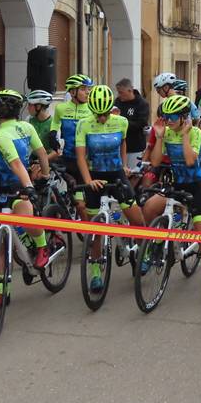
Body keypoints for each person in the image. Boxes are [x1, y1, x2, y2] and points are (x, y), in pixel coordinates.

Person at [0, 90, 51, 310]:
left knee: (24, 221)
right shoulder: (26, 126)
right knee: (1, 245)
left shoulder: (1, 135)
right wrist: (46, 174)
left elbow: (16, 165)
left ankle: (42, 247)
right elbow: (42, 153)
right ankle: (3, 292)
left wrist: (30, 187)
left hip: (18, 187)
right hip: (2, 190)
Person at [150, 95, 201, 300]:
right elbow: (155, 161)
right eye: (165, 116)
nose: (168, 119)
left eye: (172, 116)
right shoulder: (167, 132)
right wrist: (161, 137)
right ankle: (153, 247)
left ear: (183, 117)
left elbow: (190, 161)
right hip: (177, 185)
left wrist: (186, 135)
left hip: (196, 188)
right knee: (150, 207)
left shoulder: (196, 132)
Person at [75, 85, 145, 293]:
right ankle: (96, 273)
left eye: (105, 114)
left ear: (111, 110)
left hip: (116, 174)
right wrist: (88, 181)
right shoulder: (84, 124)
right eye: (98, 114)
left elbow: (123, 144)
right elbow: (80, 156)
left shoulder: (121, 122)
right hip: (94, 175)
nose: (102, 118)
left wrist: (124, 164)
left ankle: (143, 253)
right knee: (96, 231)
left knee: (137, 220)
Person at [49, 74, 93, 215]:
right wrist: (52, 134)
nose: (87, 92)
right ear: (72, 92)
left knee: (81, 205)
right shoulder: (61, 108)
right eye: (83, 89)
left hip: (85, 161)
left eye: (88, 89)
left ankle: (89, 233)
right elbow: (55, 124)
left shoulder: (92, 109)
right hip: (67, 158)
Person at [114, 79, 150, 171]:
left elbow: (142, 123)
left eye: (121, 92)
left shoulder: (142, 104)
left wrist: (122, 122)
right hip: (119, 146)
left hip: (135, 147)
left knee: (134, 174)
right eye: (118, 92)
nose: (119, 95)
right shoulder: (117, 102)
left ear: (130, 91)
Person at [25, 90, 57, 162]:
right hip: (33, 157)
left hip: (49, 159)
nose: (27, 108)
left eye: (30, 105)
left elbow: (57, 152)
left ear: (38, 106)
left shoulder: (53, 124)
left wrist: (40, 162)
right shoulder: (29, 120)